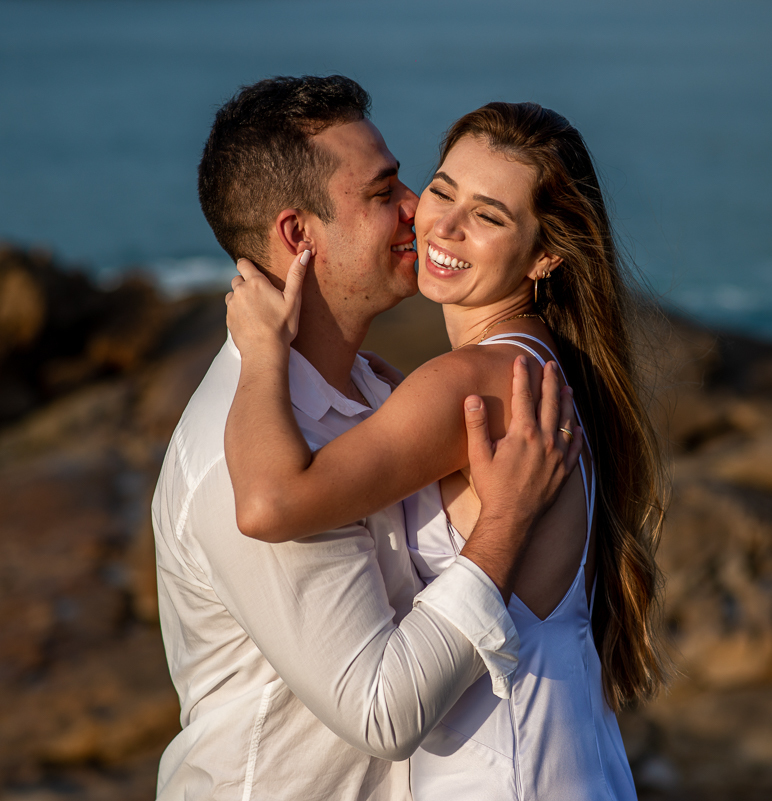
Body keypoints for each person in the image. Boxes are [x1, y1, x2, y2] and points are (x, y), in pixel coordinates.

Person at [151, 76, 583, 801]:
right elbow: (382, 710)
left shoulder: (378, 395)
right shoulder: (241, 454)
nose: (420, 210)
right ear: (298, 236)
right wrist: (503, 525)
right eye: (384, 193)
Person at [224, 101, 670, 800]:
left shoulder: (470, 384)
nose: (444, 225)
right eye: (441, 189)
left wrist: (258, 354)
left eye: (490, 216)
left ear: (546, 254)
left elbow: (267, 501)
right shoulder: (533, 366)